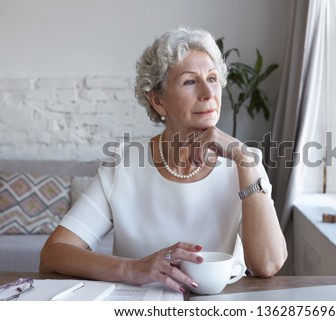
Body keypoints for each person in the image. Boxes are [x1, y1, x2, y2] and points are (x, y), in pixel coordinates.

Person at [40, 27, 287, 293]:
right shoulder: (123, 165)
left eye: (213, 79)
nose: (207, 93)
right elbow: (53, 254)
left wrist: (242, 157)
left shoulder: (245, 162)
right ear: (158, 101)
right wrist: (131, 268)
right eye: (190, 81)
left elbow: (268, 264)